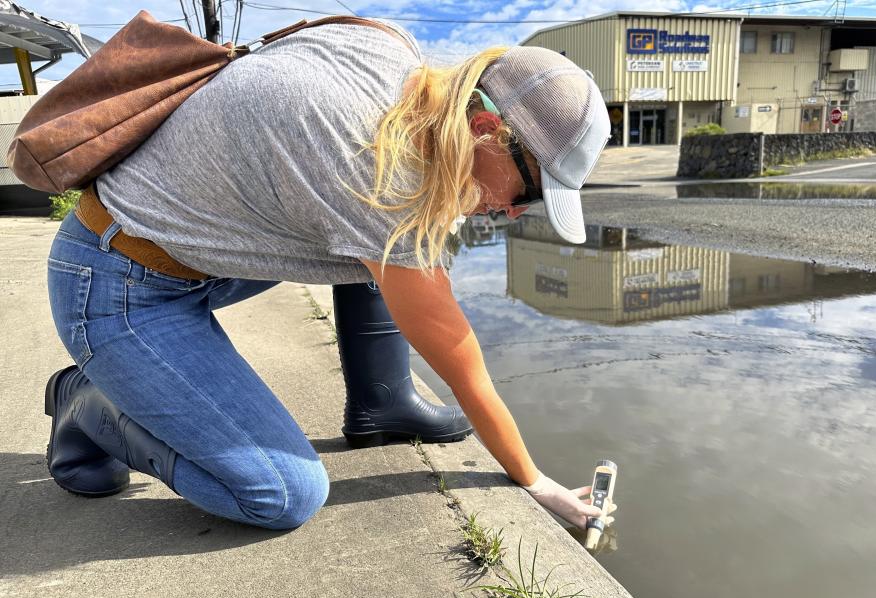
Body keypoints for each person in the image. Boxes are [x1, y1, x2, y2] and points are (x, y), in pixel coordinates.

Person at [43, 18, 611, 531]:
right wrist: (535, 481)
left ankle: (383, 402)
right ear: (485, 126)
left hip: (201, 247)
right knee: (280, 494)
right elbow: (465, 367)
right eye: (530, 191)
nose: (515, 211)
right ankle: (89, 399)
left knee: (387, 244)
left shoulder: (390, 51)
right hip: (114, 282)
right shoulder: (378, 172)